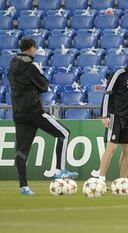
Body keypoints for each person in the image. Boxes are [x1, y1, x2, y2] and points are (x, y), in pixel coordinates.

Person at [8, 38, 78, 195]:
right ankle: (59, 170)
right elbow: (44, 86)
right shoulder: (30, 67)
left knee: (21, 151)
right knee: (64, 133)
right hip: (34, 111)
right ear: (32, 48)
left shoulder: (12, 65)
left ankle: (24, 187)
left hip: (19, 113)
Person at [98, 51, 128, 182]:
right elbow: (107, 94)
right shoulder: (119, 74)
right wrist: (104, 115)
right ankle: (101, 179)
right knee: (111, 148)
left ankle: (123, 180)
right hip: (115, 116)